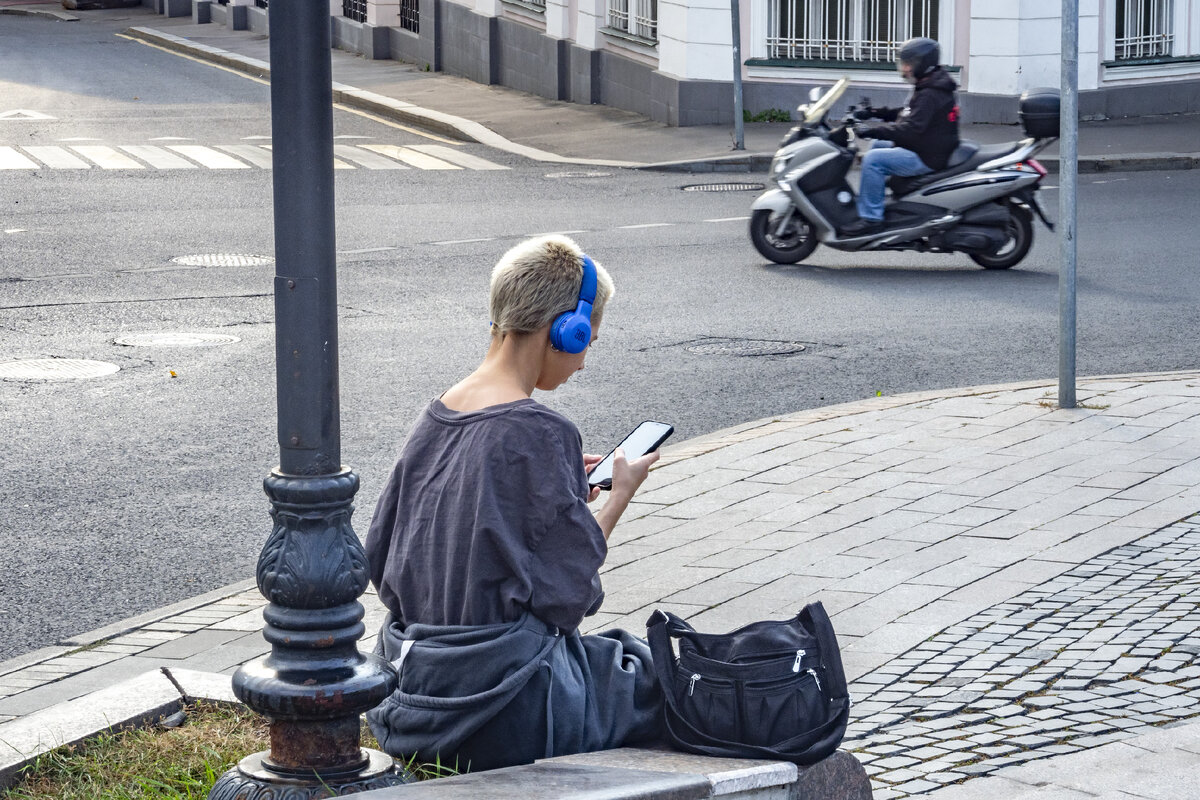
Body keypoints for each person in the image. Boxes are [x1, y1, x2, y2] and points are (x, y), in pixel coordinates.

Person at [363, 235, 664, 772]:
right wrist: (617, 498)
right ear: (563, 331)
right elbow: (568, 599)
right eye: (588, 340)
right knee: (652, 678)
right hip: (505, 705)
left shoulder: (436, 415)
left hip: (415, 693)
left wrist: (563, 488)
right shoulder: (541, 432)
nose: (583, 361)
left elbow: (383, 555)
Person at [842, 37, 961, 237]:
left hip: (929, 155)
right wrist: (873, 113)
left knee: (873, 160)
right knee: (880, 145)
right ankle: (884, 197)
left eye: (909, 63)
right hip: (928, 145)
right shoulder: (931, 84)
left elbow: (909, 130)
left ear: (922, 64)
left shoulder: (931, 93)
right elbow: (907, 113)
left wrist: (871, 130)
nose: (905, 68)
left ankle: (871, 219)